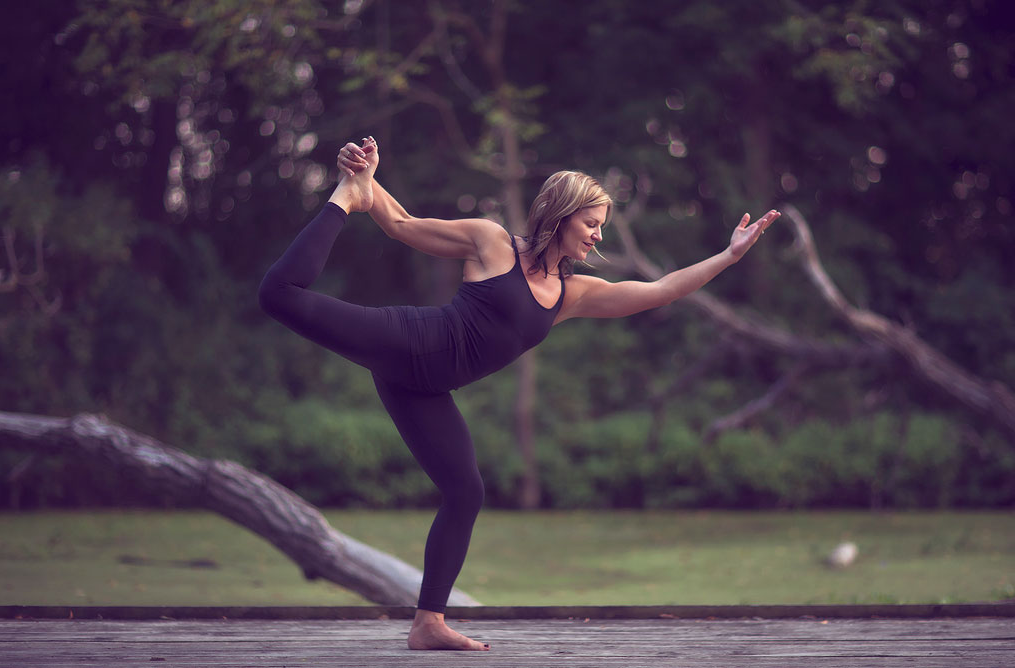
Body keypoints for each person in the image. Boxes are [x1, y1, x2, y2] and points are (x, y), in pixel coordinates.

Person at [258, 136, 779, 651]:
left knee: (466, 492)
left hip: (422, 388)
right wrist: (361, 189)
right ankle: (339, 199)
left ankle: (428, 623)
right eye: (592, 224)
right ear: (561, 213)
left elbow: (662, 289)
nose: (598, 237)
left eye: (602, 227)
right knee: (279, 296)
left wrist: (727, 258)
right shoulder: (492, 242)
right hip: (406, 340)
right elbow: (402, 226)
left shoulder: (571, 294)